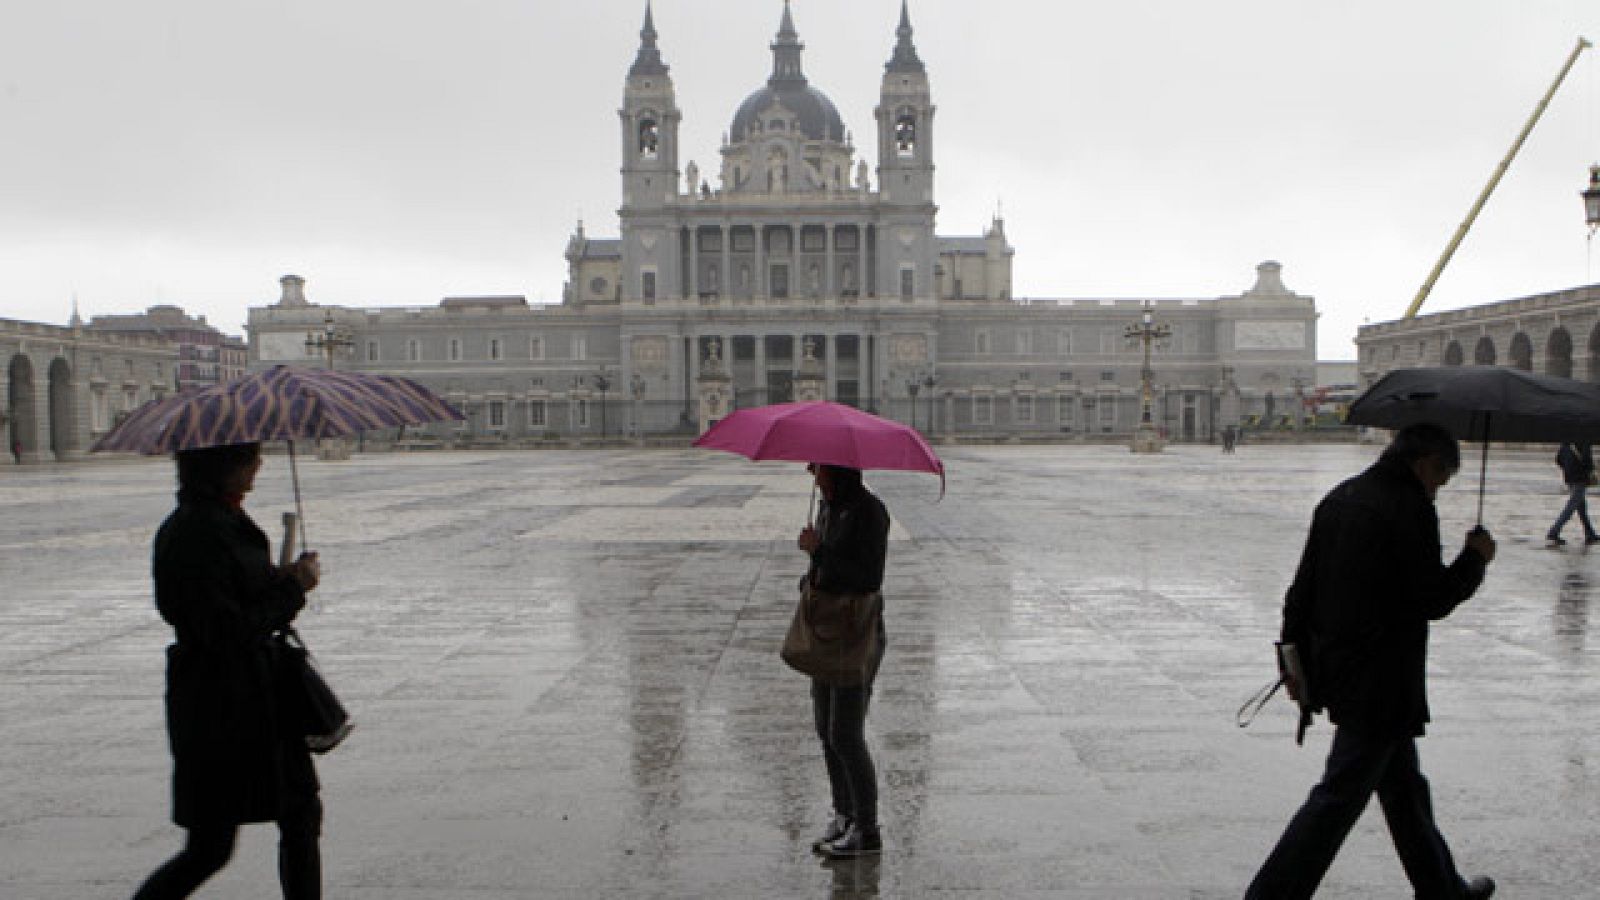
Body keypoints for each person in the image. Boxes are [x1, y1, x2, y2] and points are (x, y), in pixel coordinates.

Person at [1246, 422, 1497, 900]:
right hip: (1382, 679)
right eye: (1440, 480)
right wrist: (1474, 560)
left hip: (1339, 669)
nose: (1436, 491)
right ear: (1425, 464)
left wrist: (1291, 662)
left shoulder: (1340, 497)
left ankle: (1443, 890)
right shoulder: (1410, 508)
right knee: (1337, 798)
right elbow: (1431, 598)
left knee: (1404, 790)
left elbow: (1301, 590)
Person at [133, 442, 325, 900]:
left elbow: (240, 593)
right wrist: (292, 591)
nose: (259, 464)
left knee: (299, 814)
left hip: (254, 694)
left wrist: (282, 579)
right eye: (249, 458)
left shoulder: (220, 518)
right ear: (221, 466)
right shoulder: (196, 532)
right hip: (222, 703)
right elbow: (225, 627)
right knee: (210, 847)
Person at [797, 463, 890, 860]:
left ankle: (866, 829)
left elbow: (868, 578)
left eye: (818, 466)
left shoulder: (870, 512)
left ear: (837, 470)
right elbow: (828, 568)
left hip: (855, 635)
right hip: (827, 630)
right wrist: (812, 574)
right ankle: (844, 814)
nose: (811, 471)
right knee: (826, 729)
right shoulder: (828, 507)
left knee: (846, 734)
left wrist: (819, 552)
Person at [1545, 441, 1598, 546]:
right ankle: (1554, 532)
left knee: (1581, 507)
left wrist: (1568, 468)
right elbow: (1587, 460)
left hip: (1569, 477)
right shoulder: (1584, 441)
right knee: (1572, 506)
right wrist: (1590, 471)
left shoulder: (1566, 442)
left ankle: (1590, 533)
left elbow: (1558, 459)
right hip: (1580, 477)